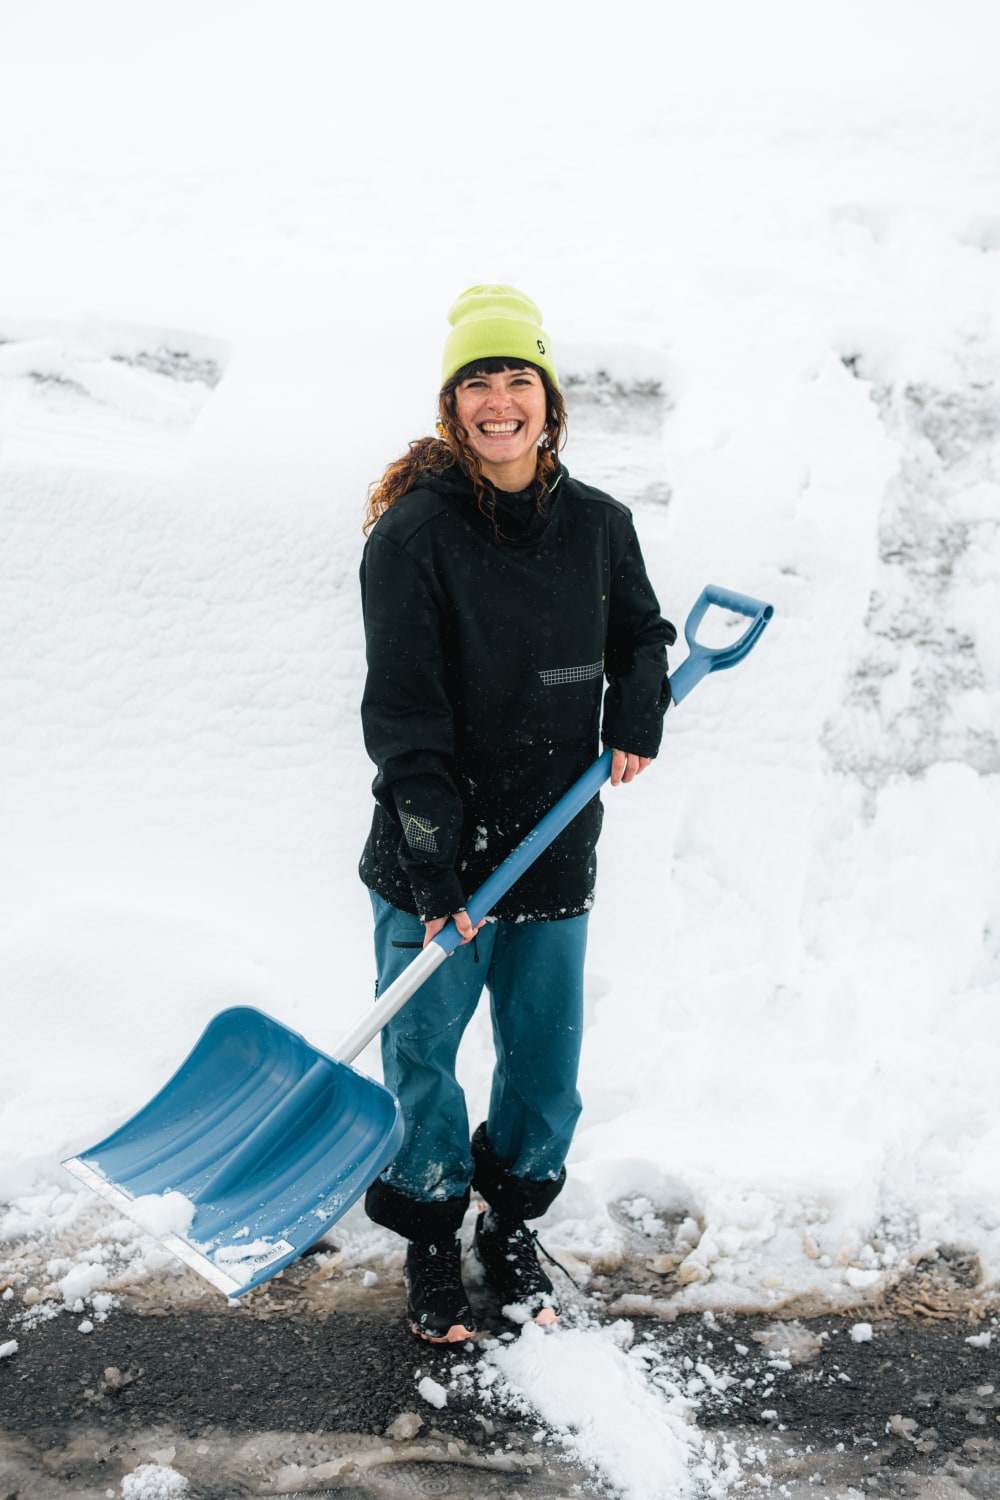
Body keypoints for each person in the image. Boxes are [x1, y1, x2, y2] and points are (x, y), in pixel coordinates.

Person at [358, 284, 676, 1342]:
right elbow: (405, 713)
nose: (501, 401)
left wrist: (637, 705)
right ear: (453, 409)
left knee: (544, 1063)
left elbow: (640, 632)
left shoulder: (598, 525)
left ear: (550, 400)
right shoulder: (412, 537)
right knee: (425, 1060)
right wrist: (436, 861)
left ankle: (510, 1225)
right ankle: (431, 1239)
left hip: (551, 843)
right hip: (432, 851)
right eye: (477, 383)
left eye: (518, 379)